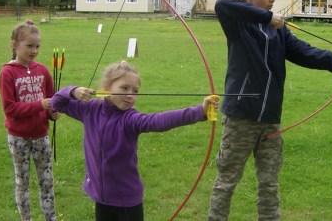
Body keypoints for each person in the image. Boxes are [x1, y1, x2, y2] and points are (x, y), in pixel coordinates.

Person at [207, 0, 332, 221]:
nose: (272, 0)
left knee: (269, 184)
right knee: (227, 181)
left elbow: (306, 52)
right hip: (241, 118)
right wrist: (267, 16)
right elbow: (221, 4)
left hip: (270, 119)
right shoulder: (238, 24)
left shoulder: (278, 31)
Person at [50, 60, 219, 221]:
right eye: (124, 88)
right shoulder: (89, 110)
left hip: (127, 200)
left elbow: (158, 120)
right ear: (106, 88)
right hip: (101, 197)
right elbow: (56, 103)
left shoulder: (131, 119)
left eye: (135, 91)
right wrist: (73, 91)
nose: (130, 95)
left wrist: (200, 111)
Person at [0, 21, 60, 221]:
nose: (34, 50)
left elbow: (51, 101)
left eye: (37, 46)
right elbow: (10, 108)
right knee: (22, 182)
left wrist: (52, 113)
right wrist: (39, 105)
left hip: (40, 135)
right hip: (18, 138)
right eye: (29, 46)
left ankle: (50, 218)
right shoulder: (8, 72)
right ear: (14, 45)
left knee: (47, 181)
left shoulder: (42, 70)